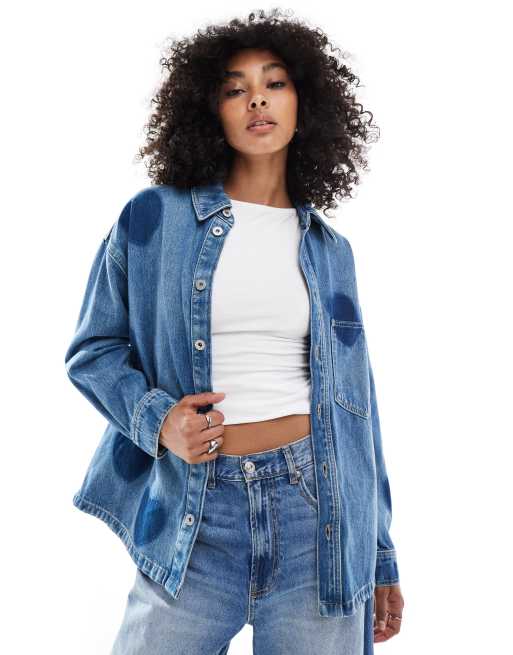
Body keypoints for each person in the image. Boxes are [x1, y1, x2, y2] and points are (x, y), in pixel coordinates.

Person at [64, 8, 404, 655]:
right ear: (208, 110)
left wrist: (381, 553)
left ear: (306, 104)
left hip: (319, 519)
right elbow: (93, 349)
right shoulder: (153, 218)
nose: (256, 100)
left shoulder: (332, 250)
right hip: (195, 513)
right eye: (233, 88)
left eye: (274, 83)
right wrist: (160, 422)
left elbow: (358, 409)